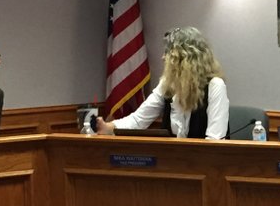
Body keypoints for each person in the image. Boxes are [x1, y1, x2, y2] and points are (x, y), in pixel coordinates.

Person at [95, 27, 229, 139]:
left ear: (185, 58)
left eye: (168, 52)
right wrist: (109, 127)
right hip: (171, 161)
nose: (163, 57)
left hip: (206, 164)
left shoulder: (215, 85)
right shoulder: (167, 84)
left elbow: (215, 140)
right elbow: (138, 120)